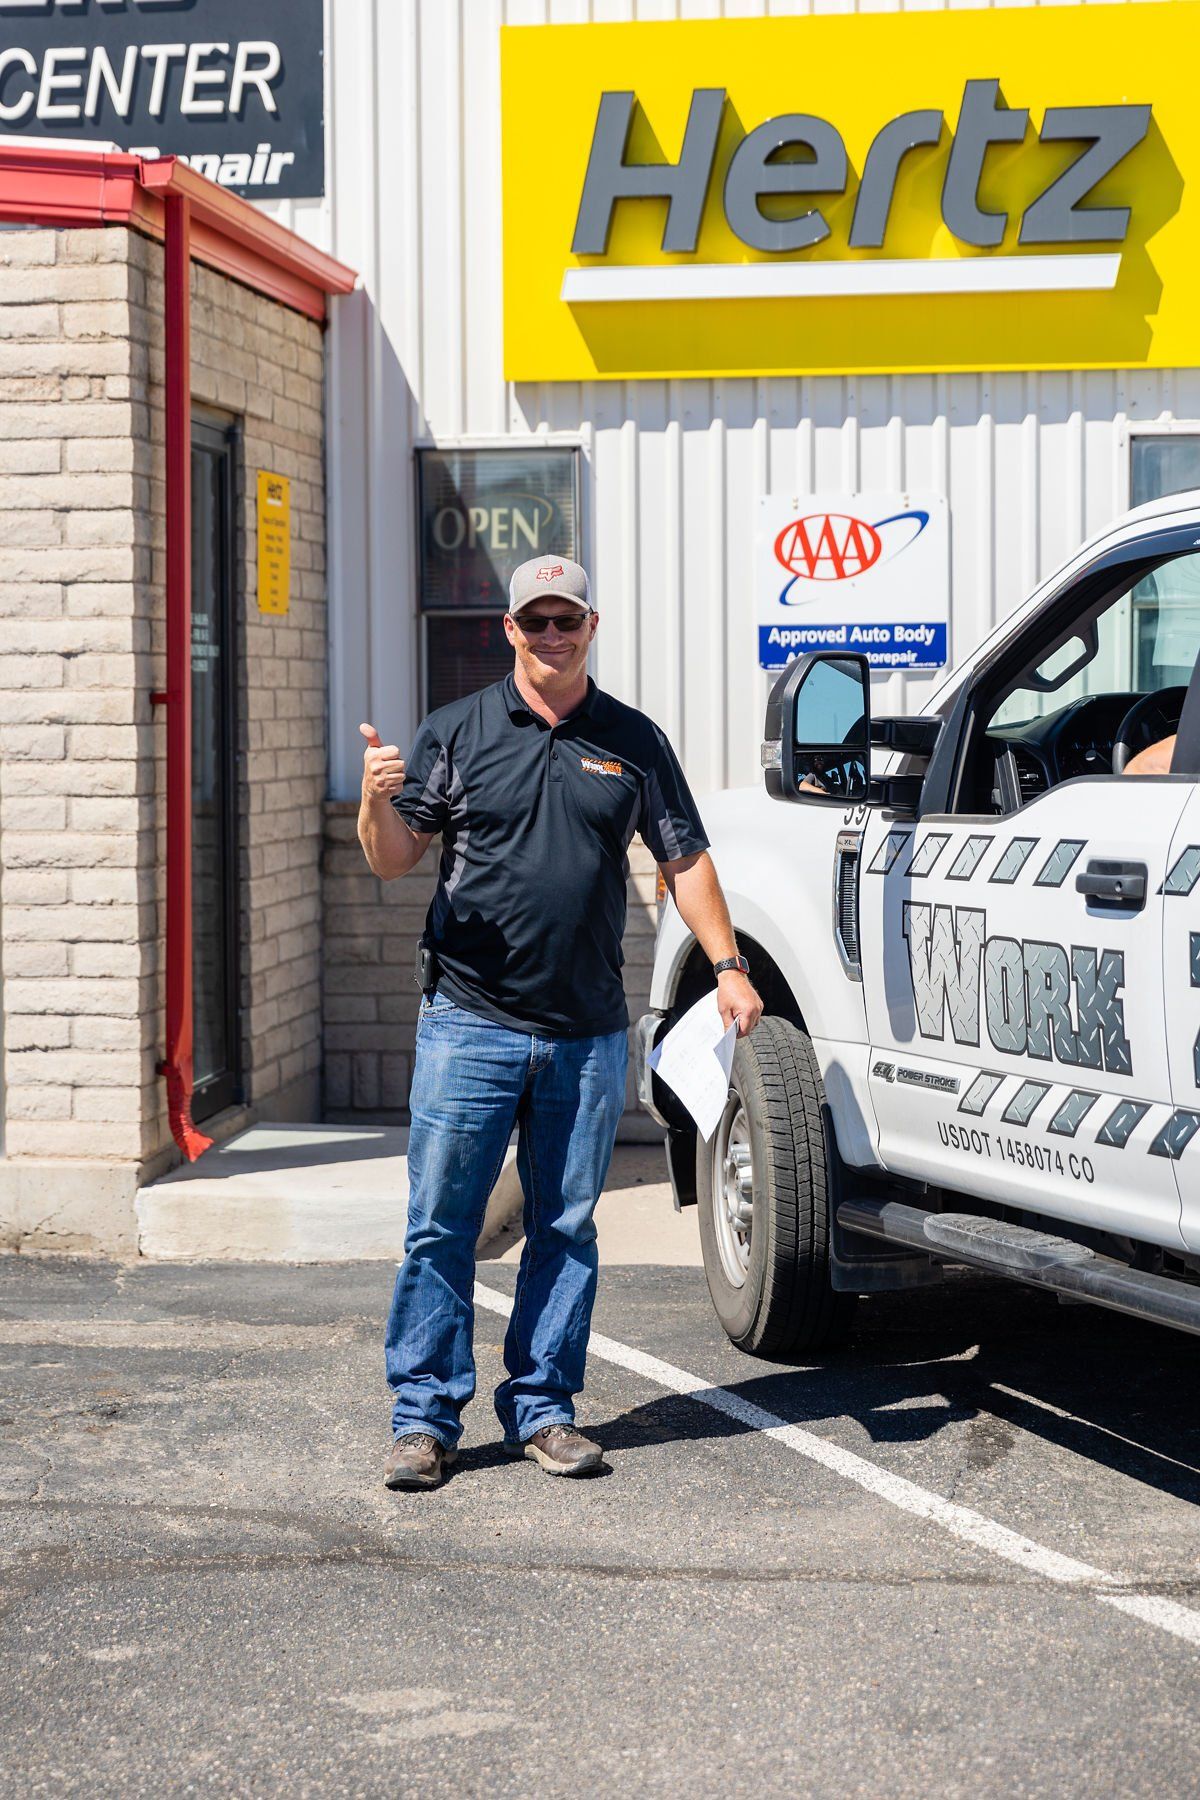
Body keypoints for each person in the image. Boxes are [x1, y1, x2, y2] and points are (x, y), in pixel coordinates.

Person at [358, 554, 763, 1489]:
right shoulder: (455, 732)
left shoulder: (632, 739)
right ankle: (423, 1420)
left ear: (591, 625)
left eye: (565, 619)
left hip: (582, 1033)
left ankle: (542, 1410)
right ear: (509, 630)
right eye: (534, 620)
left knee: (567, 1228)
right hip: (468, 1023)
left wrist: (731, 966)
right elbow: (391, 860)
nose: (551, 634)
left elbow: (684, 858)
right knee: (439, 1226)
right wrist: (376, 800)